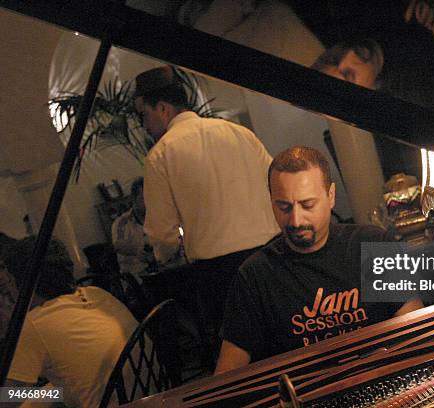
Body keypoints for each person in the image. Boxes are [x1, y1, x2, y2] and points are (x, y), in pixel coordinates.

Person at [215, 146, 423, 373]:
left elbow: (416, 333)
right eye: (284, 206)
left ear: (330, 196)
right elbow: (227, 377)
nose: (295, 220)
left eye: (307, 205)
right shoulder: (255, 276)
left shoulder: (373, 245)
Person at [134, 65, 279, 337]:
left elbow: (162, 233)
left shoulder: (161, 155)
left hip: (220, 273)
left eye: (145, 115)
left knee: (244, 355)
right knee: (284, 336)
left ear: (163, 108)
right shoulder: (238, 133)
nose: (144, 126)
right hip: (270, 257)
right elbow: (278, 187)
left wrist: (165, 255)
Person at [4, 236, 139, 408]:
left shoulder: (35, 324)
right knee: (48, 394)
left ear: (22, 282)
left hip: (111, 404)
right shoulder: (96, 293)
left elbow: (7, 398)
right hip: (153, 394)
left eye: (8, 280)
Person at [111, 177, 157, 278]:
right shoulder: (122, 222)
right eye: (144, 198)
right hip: (137, 277)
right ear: (134, 199)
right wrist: (138, 250)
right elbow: (118, 245)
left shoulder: (159, 218)